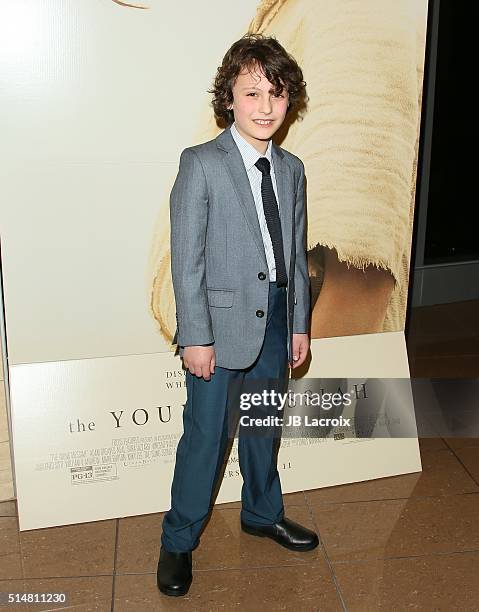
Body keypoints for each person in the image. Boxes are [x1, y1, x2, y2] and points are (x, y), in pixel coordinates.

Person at [156, 33, 319, 597]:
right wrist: (196, 337)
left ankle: (261, 512)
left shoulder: (293, 169)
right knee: (205, 438)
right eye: (252, 93)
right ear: (229, 98)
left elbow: (295, 255)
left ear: (288, 99)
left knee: (262, 428)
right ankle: (178, 542)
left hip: (276, 318)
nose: (265, 106)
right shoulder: (201, 164)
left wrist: (298, 322)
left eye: (276, 93)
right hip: (218, 330)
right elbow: (188, 260)